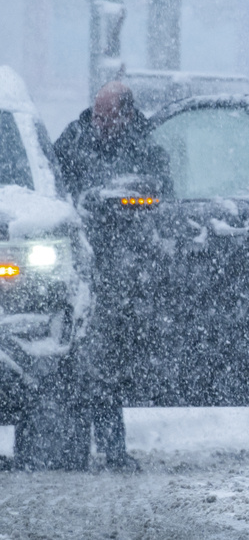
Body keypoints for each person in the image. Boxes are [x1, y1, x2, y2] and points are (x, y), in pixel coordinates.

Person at [53, 82, 171, 472]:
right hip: (75, 265)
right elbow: (51, 183)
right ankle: (71, 446)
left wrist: (124, 203)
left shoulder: (146, 146)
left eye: (108, 115)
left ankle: (110, 446)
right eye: (97, 113)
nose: (100, 122)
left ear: (126, 113)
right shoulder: (74, 138)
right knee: (75, 358)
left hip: (126, 275)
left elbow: (160, 194)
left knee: (106, 362)